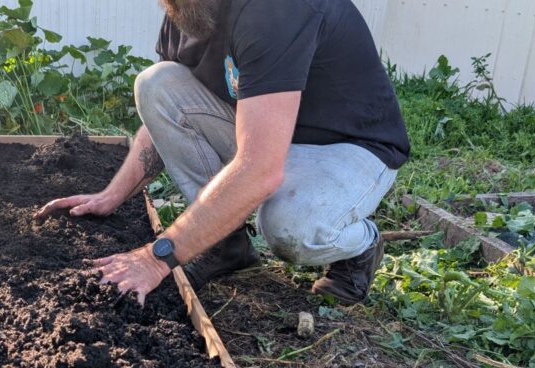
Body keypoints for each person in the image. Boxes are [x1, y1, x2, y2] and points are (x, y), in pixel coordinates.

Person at [34, 0, 410, 305]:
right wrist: (111, 196)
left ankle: (361, 245)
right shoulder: (186, 9)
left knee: (289, 228)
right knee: (156, 83)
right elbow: (164, 117)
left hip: (347, 145)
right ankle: (226, 244)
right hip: (268, 130)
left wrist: (158, 256)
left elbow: (260, 168)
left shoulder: (277, 10)